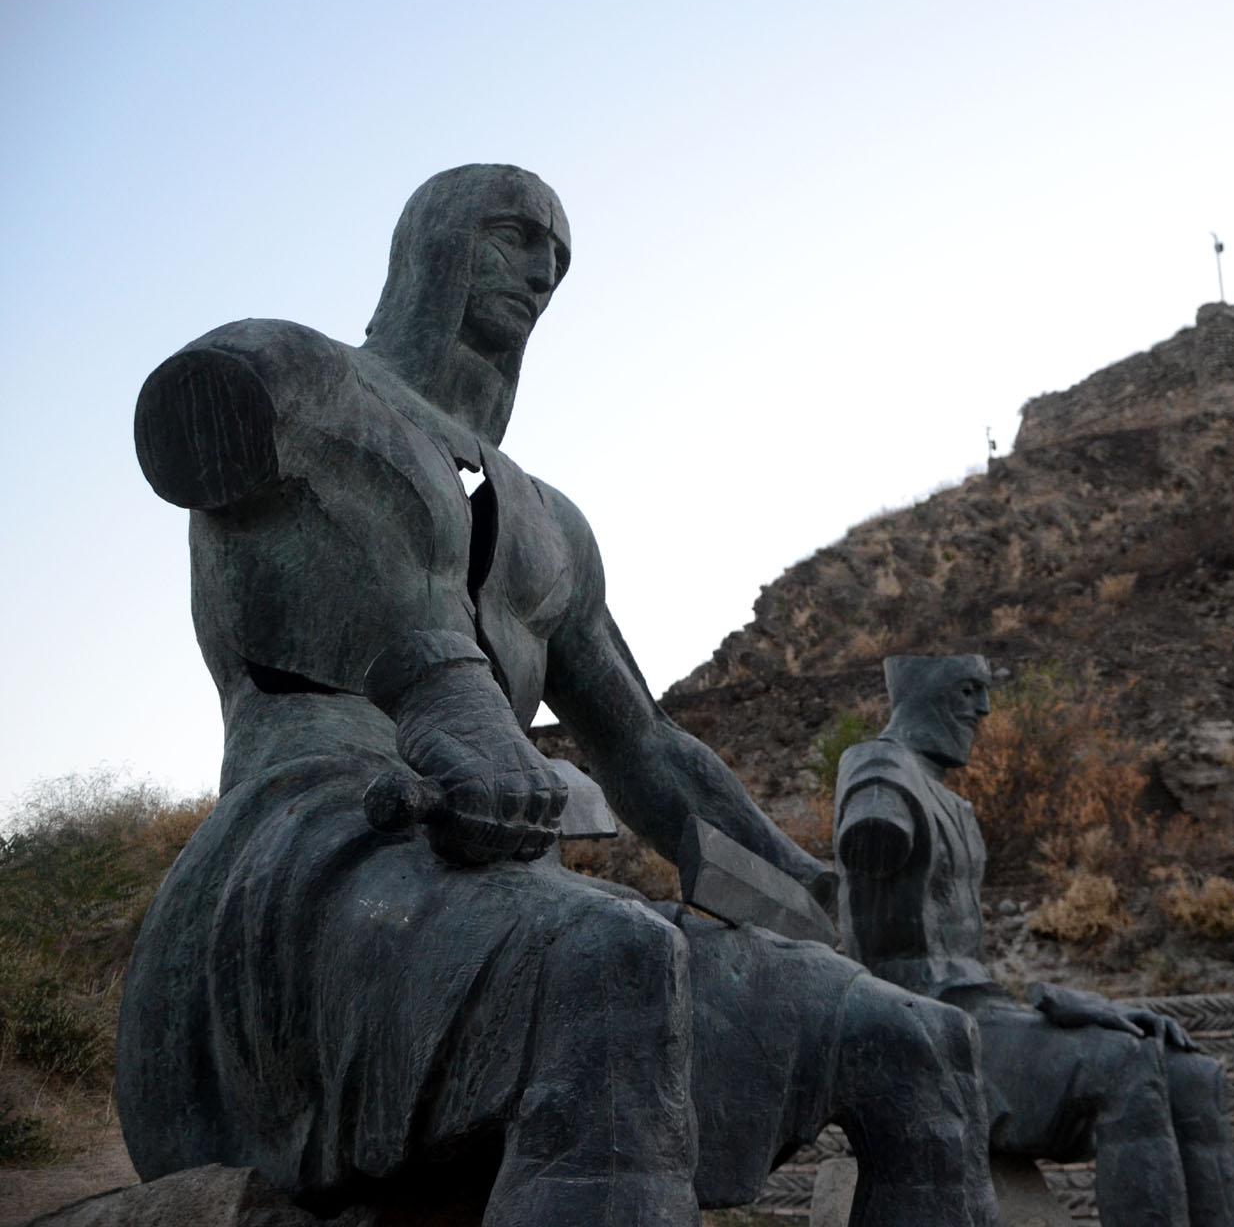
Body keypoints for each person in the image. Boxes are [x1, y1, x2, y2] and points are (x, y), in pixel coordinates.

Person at [118, 165, 996, 1227]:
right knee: (611, 959)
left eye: (558, 256)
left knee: (915, 1041)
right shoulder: (309, 380)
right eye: (510, 234)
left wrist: (800, 879)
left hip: (513, 893)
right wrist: (442, 699)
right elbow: (196, 412)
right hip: (316, 855)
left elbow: (646, 749)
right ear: (431, 246)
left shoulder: (553, 527)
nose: (538, 269)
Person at [834, 654, 1234, 1227]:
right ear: (922, 692)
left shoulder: (952, 801)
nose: (984, 709)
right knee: (1126, 1065)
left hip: (978, 1013)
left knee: (1192, 1075)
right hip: (920, 1030)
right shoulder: (879, 767)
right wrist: (875, 828)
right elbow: (869, 838)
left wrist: (1061, 1006)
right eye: (968, 690)